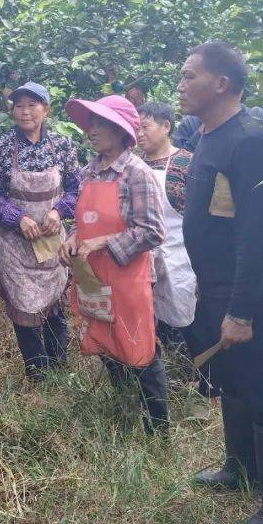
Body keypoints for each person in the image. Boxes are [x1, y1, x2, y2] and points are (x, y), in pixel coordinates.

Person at [178, 41, 263, 524]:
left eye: (190, 77)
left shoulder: (249, 140)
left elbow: (258, 234)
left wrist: (242, 311)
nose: (181, 85)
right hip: (216, 286)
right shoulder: (210, 134)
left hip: (248, 293)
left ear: (221, 84)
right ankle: (240, 468)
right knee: (233, 379)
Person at [60, 95, 169, 435]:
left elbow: (153, 231)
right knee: (107, 341)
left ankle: (157, 429)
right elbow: (84, 219)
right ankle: (124, 409)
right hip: (94, 276)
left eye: (100, 124)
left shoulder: (137, 174)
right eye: (90, 123)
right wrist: (73, 236)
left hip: (129, 278)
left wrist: (104, 242)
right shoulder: (87, 172)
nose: (91, 130)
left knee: (141, 349)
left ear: (121, 131)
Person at [0, 82, 80, 382]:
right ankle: (38, 373)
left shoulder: (62, 145)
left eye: (32, 105)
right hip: (14, 242)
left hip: (50, 239)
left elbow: (76, 188)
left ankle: (59, 366)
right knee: (23, 305)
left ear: (45, 110)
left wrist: (57, 211)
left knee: (55, 300)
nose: (25, 111)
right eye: (19, 105)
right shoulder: (0, 147)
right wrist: (17, 218)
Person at [135, 102, 197, 343]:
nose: (139, 134)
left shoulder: (187, 163)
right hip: (144, 257)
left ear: (166, 126)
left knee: (186, 319)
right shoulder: (134, 166)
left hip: (181, 257)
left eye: (145, 127)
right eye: (136, 129)